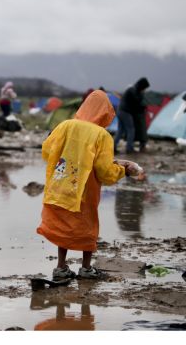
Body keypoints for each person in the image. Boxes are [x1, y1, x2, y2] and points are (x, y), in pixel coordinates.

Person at [36, 90, 140, 280]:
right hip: (85, 190)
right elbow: (104, 171)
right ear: (104, 112)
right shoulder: (102, 135)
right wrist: (123, 170)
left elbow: (47, 150)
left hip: (61, 185)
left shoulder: (65, 125)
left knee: (63, 226)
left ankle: (60, 267)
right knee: (88, 226)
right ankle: (86, 268)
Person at [114, 77, 150, 153]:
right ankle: (129, 148)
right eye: (144, 88)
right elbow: (136, 101)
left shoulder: (131, 89)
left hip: (120, 110)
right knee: (131, 130)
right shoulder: (133, 90)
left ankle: (113, 146)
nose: (144, 90)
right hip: (125, 112)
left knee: (120, 130)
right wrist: (142, 95)